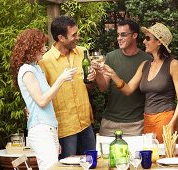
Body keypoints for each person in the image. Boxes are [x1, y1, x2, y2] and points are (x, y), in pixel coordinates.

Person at [103, 23, 178, 143]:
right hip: (147, 119)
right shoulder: (145, 65)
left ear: (159, 42)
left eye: (148, 38)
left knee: (164, 158)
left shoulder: (173, 64)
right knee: (150, 159)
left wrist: (172, 121)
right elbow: (128, 89)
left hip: (165, 118)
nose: (143, 41)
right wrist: (112, 74)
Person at [10, 28, 77, 169]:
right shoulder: (27, 70)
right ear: (31, 47)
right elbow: (41, 101)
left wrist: (54, 139)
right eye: (41, 46)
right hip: (41, 130)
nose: (44, 49)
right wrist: (61, 79)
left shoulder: (36, 68)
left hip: (48, 130)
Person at [38, 15, 96, 159]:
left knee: (92, 164)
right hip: (64, 127)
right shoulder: (45, 61)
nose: (78, 37)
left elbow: (89, 88)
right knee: (66, 168)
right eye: (74, 34)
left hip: (86, 123)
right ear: (61, 38)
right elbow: (41, 97)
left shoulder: (83, 52)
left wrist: (92, 79)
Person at [93, 19, 152, 136]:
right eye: (118, 35)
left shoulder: (147, 60)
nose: (119, 38)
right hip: (110, 122)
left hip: (136, 123)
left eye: (123, 34)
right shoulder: (111, 57)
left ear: (135, 35)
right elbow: (103, 87)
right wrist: (98, 72)